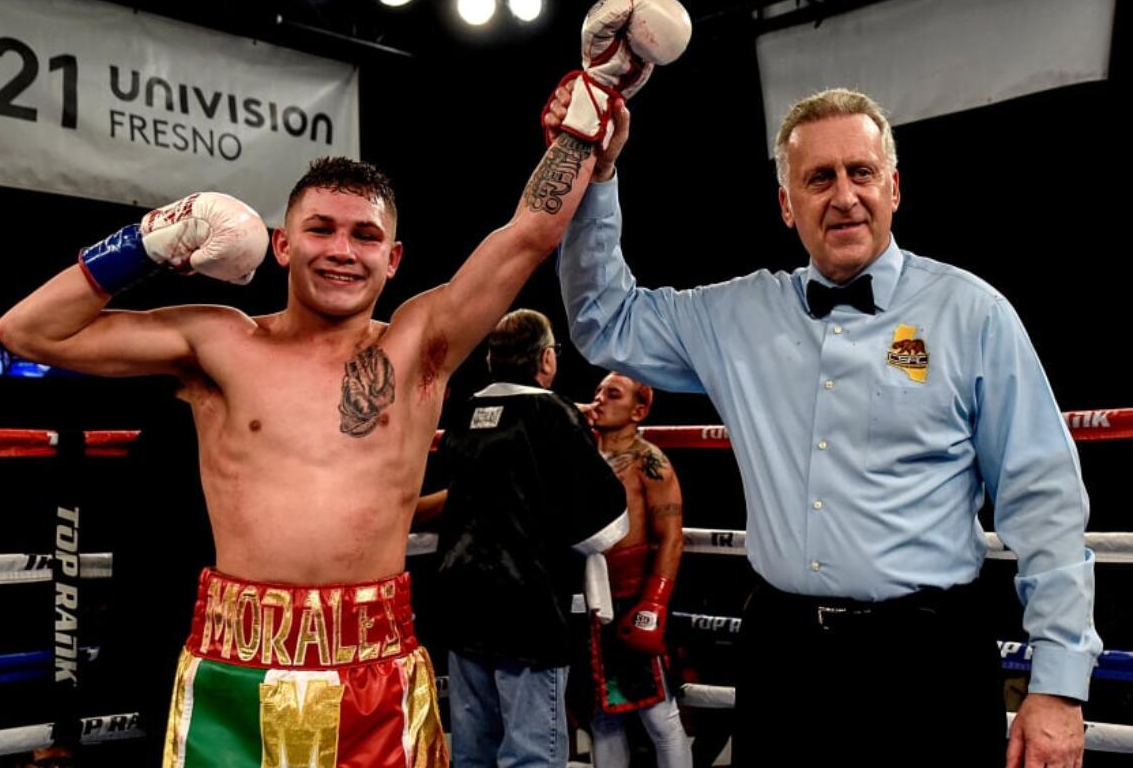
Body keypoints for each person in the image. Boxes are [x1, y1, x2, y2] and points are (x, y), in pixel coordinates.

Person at [0, 125, 608, 766]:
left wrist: (587, 118)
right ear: (283, 245)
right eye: (322, 229)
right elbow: (28, 333)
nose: (342, 250)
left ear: (392, 258)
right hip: (234, 668)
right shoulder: (219, 342)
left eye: (365, 235)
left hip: (377, 670)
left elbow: (529, 234)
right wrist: (150, 243)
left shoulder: (421, 344)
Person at [547, 86, 1100, 767]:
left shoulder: (971, 314)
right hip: (786, 660)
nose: (844, 196)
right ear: (787, 204)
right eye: (819, 178)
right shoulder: (737, 317)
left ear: (894, 188)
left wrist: (1059, 686)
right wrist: (596, 175)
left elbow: (1043, 497)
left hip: (928, 660)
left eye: (861, 172)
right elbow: (603, 318)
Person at [424, 309, 628, 768]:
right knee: (532, 754)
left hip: (461, 602)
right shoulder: (552, 415)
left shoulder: (467, 412)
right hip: (528, 609)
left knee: (472, 751)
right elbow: (604, 521)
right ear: (546, 360)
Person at [578, 371, 692, 768]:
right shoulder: (581, 456)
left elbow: (671, 538)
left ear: (638, 410)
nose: (600, 399)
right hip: (589, 600)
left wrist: (653, 603)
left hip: (633, 597)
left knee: (660, 716)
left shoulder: (650, 460)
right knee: (603, 719)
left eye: (613, 394)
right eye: (597, 392)